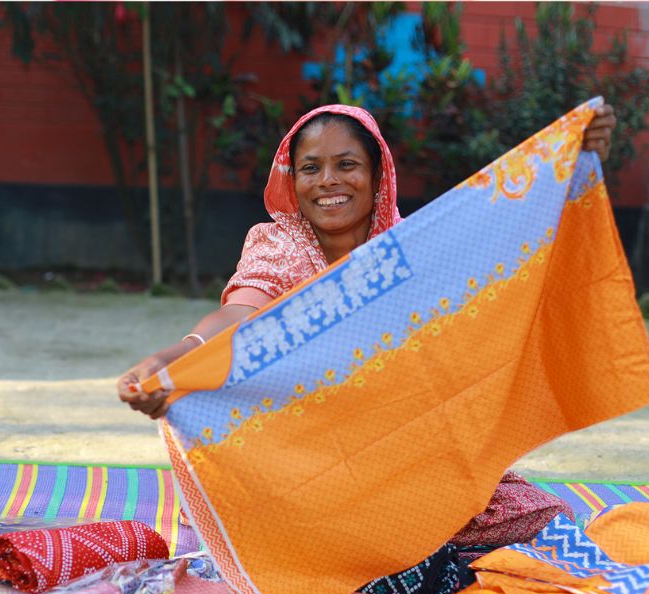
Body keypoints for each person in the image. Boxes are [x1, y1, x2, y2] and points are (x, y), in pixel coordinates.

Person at [117, 102, 617, 418]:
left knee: (526, 516)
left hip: (394, 437)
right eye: (310, 168)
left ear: (379, 177)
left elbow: (508, 251)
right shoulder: (279, 245)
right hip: (302, 438)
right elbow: (237, 317)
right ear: (294, 183)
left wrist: (570, 162)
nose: (328, 180)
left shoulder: (410, 249)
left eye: (347, 165)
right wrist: (171, 360)